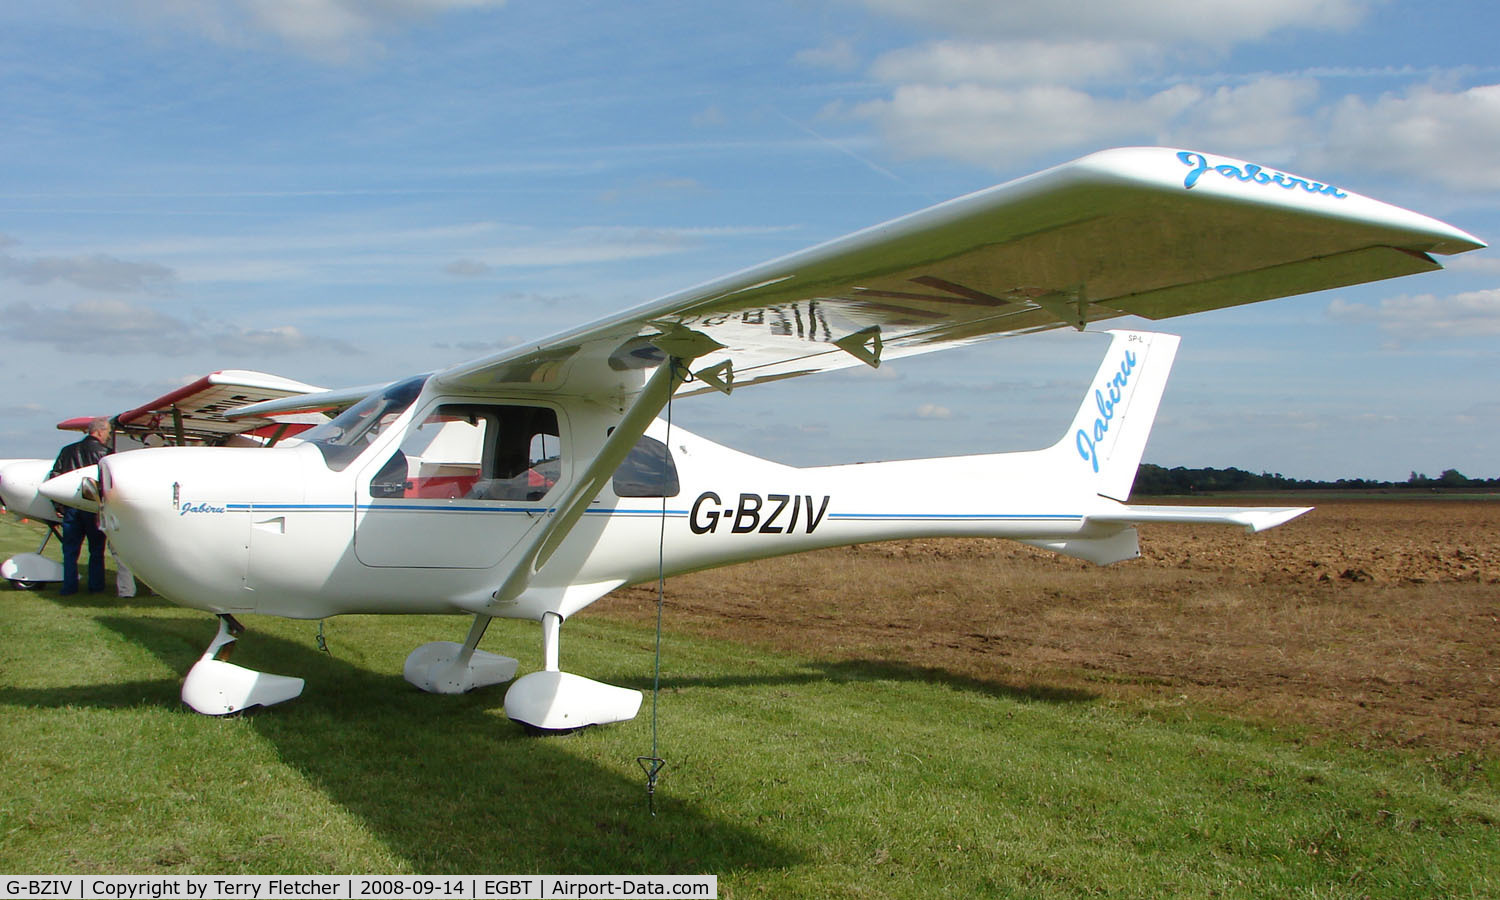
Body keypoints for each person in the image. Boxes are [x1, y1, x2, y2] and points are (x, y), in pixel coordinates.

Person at [51, 417, 112, 595]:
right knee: (96, 550)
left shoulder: (67, 451)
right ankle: (96, 587)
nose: (108, 436)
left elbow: (55, 476)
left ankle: (69, 587)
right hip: (93, 509)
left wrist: (58, 506)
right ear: (99, 432)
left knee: (70, 550)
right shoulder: (106, 454)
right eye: (107, 432)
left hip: (71, 507)